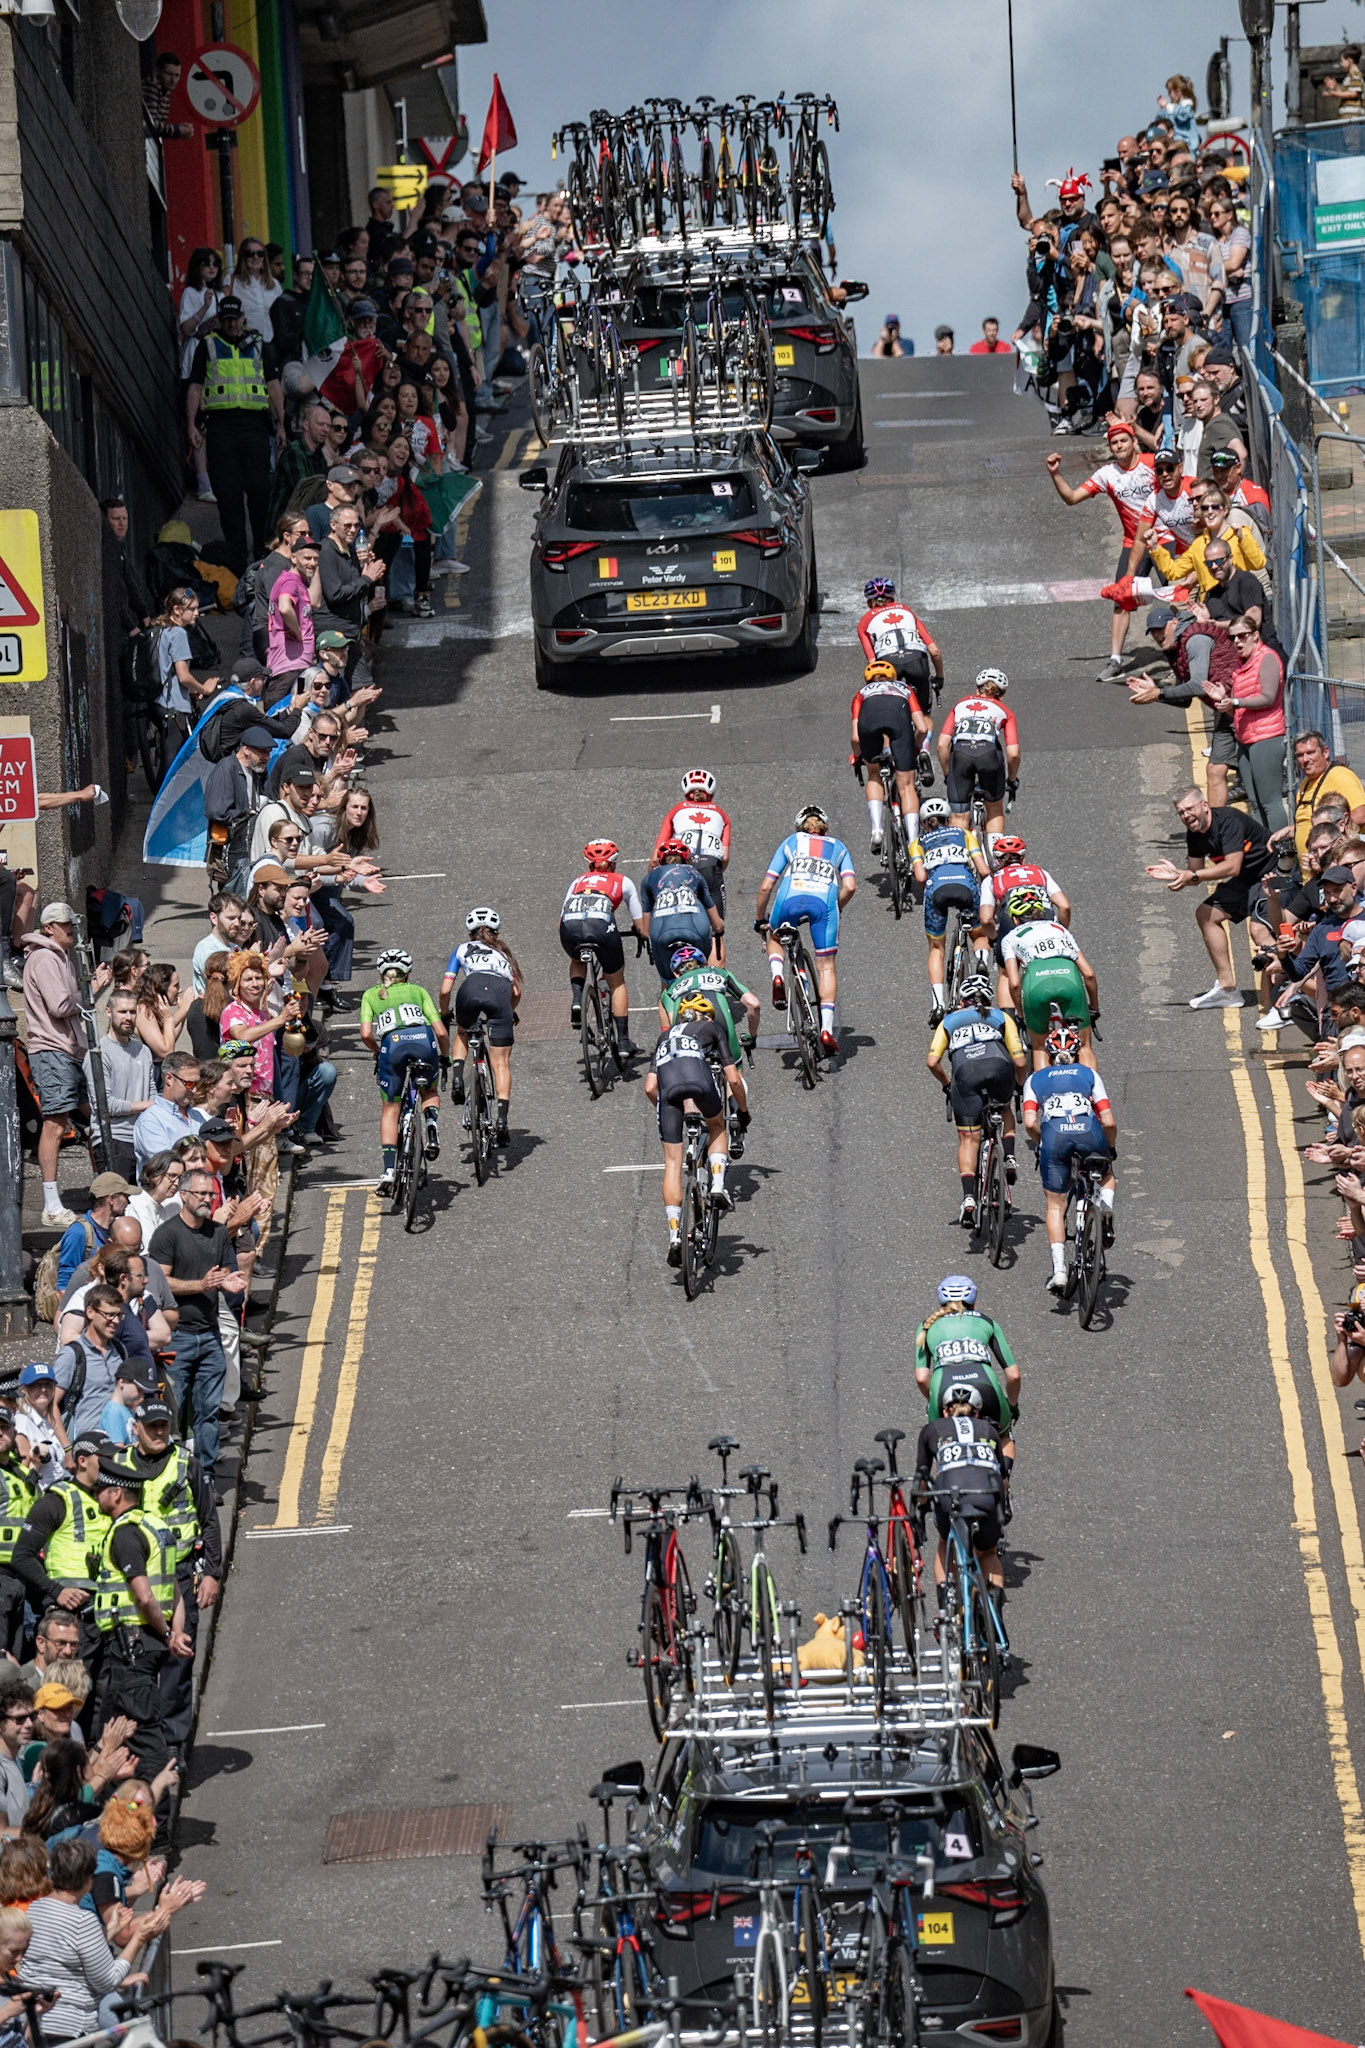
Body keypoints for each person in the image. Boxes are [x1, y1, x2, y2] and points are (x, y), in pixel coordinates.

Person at [20, 1834, 185, 2039]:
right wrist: (139, 1938)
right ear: (89, 1880)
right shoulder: (83, 1921)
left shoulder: (35, 1909)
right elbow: (108, 1980)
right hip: (68, 2028)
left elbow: (66, 1955)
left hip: (35, 2023)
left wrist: (109, 1932)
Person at [128, 1398, 221, 1751]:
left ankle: (174, 1746)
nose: (158, 1432)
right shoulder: (120, 1464)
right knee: (137, 1663)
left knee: (178, 1663)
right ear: (135, 1427)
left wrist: (211, 1573)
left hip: (179, 1574)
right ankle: (142, 1744)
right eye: (151, 1426)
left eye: (163, 1426)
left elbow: (210, 1519)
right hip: (135, 1577)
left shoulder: (186, 1464)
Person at [20, 906, 113, 1229]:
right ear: (49, 928)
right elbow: (61, 1005)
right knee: (56, 1123)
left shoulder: (59, 956)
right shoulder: (45, 958)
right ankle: (50, 1204)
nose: (72, 929)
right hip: (52, 1050)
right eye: (66, 925)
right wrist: (92, 989)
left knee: (96, 1116)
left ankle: (106, 1189)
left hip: (69, 1050)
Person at [1146, 786, 1276, 1009]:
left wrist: (1191, 875)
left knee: (1259, 931)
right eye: (1181, 813)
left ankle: (1283, 994)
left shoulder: (1229, 821)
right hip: (1244, 880)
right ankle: (1228, 989)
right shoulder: (1194, 833)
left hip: (1268, 874)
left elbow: (1231, 867)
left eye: (1189, 809)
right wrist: (1178, 875)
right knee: (1206, 914)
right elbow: (1194, 871)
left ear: (1205, 806)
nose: (1186, 816)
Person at [148, 1172, 243, 1476]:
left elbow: (225, 1272)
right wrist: (200, 1285)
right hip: (179, 1338)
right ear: (184, 1196)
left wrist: (227, 1282)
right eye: (200, 1193)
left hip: (210, 1334)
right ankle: (173, 1475)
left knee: (208, 1412)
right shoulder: (167, 1235)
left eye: (211, 1195)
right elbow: (160, 1282)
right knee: (174, 1411)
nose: (206, 1199)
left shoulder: (218, 1233)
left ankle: (206, 1475)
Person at [1045, 420, 1155, 677]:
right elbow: (1072, 498)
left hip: (1164, 538)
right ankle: (1115, 660)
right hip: (1133, 542)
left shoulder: (1152, 464)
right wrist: (1055, 474)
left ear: (1133, 442)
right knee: (1121, 600)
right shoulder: (1107, 474)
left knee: (1179, 595)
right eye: (1114, 443)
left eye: (1123, 441)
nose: (1119, 446)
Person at [185, 297, 285, 573]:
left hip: (255, 425)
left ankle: (263, 551)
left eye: (235, 318)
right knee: (228, 495)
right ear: (220, 320)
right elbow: (195, 387)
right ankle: (237, 556)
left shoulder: (259, 346)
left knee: (259, 492)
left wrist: (282, 425)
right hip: (221, 427)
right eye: (226, 319)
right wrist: (192, 426)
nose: (231, 323)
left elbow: (273, 385)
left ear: (243, 318)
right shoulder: (207, 347)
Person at [643, 995, 745, 1264]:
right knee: (716, 1126)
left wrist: (665, 1108)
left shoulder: (664, 1038)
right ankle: (718, 1186)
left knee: (672, 1163)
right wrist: (742, 1111)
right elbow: (733, 1079)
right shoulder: (712, 1028)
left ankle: (675, 1235)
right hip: (699, 1083)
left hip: (668, 1096)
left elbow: (650, 1087)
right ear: (707, 1017)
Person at [1022, 1018, 1118, 1295]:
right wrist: (1109, 1150)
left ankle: (1060, 1271)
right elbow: (1108, 1120)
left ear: (1049, 1056)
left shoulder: (1035, 1079)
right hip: (1088, 1131)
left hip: (1055, 1137)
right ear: (1077, 1052)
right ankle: (1105, 1207)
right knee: (1107, 1178)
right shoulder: (1089, 1074)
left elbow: (1029, 1122)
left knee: (1055, 1205)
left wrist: (1043, 1144)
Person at [756, 804, 857, 1057]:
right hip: (823, 903)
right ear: (825, 827)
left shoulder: (791, 841)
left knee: (776, 938)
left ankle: (777, 975)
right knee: (826, 967)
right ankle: (825, 1029)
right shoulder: (838, 847)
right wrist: (837, 905)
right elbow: (851, 886)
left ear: (800, 826)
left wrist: (760, 920)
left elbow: (767, 886)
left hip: (789, 897)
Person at [926, 973, 1027, 1226]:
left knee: (969, 1138)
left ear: (962, 1001)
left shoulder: (949, 1021)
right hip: (999, 1069)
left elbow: (932, 1061)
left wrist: (948, 1085)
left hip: (965, 1076)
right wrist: (1018, 1086)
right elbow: (1020, 1060)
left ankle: (969, 1197)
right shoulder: (1001, 1017)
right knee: (1004, 1107)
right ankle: (1010, 1156)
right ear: (989, 1001)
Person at [13, 1437, 115, 1667]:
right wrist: (56, 1590)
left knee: (102, 1697)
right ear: (82, 1461)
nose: (111, 1463)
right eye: (104, 1458)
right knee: (66, 1693)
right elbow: (21, 1555)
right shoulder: (57, 1499)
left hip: (107, 1613)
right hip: (69, 1616)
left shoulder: (112, 1499)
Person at [912, 1390, 1008, 1618]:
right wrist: (1004, 1510)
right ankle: (994, 1615)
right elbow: (1003, 1478)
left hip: (950, 1493)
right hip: (987, 1493)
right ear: (977, 1413)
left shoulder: (932, 1429)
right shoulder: (989, 1431)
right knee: (987, 1552)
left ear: (944, 1411)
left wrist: (921, 1510)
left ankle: (948, 1609)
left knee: (946, 1544)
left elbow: (922, 1480)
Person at [359, 949, 447, 1198]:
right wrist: (446, 1057)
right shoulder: (418, 991)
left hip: (392, 1046)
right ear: (408, 973)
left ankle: (388, 1170)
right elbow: (440, 1031)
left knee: (391, 1107)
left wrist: (378, 1052)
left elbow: (366, 1034)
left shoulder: (370, 995)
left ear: (380, 973)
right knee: (429, 1089)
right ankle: (430, 1123)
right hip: (423, 1040)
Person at [440, 911, 521, 1148]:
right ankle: (502, 1121)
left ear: (470, 934)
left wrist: (444, 1014)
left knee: (463, 1032)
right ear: (496, 933)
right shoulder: (504, 952)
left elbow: (446, 990)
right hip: (499, 994)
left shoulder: (461, 949)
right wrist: (509, 1010)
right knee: (501, 1064)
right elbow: (516, 992)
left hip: (470, 990)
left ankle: (457, 1078)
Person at [558, 841, 644, 1056]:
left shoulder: (577, 881)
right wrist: (639, 933)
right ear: (614, 864)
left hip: (570, 927)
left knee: (577, 959)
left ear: (589, 865)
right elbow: (641, 924)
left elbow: (561, 919)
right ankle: (623, 1041)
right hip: (601, 926)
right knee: (616, 980)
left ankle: (577, 1000)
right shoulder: (623, 881)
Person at [913, 1276, 1020, 1448]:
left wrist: (931, 1400)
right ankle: (1003, 1475)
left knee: (943, 1448)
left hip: (943, 1388)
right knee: (1003, 1438)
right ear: (973, 1301)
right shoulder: (986, 1321)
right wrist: (1013, 1406)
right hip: (985, 1385)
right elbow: (1013, 1376)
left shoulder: (927, 1325)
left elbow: (921, 1377)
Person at [909, 797, 990, 1022]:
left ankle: (938, 1004)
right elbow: (983, 870)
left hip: (937, 890)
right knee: (979, 934)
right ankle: (981, 958)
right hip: (966, 886)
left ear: (924, 824)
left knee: (936, 947)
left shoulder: (918, 842)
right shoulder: (964, 834)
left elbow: (920, 876)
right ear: (948, 819)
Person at [1000, 889, 1102, 1066]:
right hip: (1068, 979)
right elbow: (1089, 974)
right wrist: (1093, 1008)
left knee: (1039, 1047)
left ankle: (1043, 1090)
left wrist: (1021, 1015)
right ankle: (1094, 1091)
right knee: (1084, 1047)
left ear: (1015, 919)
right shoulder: (1059, 929)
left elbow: (1014, 984)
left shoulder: (1010, 938)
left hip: (1036, 985)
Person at [1206, 614, 1287, 836]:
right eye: (1233, 638)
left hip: (1266, 737)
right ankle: (1265, 848)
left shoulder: (1267, 658)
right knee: (1254, 801)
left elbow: (1268, 697)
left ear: (1255, 635)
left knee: (1270, 801)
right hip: (1245, 738)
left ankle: (1283, 852)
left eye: (1242, 636)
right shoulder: (1242, 666)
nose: (1237, 642)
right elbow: (1240, 710)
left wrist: (1235, 701)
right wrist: (1225, 703)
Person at [856, 577, 942, 770]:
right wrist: (939, 677)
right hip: (917, 661)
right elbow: (935, 651)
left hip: (888, 663)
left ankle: (887, 753)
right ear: (892, 597)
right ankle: (925, 749)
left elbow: (872, 662)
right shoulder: (906, 610)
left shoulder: (865, 621)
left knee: (887, 708)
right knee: (924, 712)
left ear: (869, 602)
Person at [659, 945, 761, 1098]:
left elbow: (673, 1024)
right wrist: (752, 1037)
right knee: (734, 1075)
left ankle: (694, 1115)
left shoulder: (668, 992)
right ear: (705, 964)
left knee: (688, 1078)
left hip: (686, 1026)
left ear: (675, 973)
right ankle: (736, 1114)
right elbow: (753, 1004)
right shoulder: (719, 973)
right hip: (718, 1020)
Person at [937, 668, 1020, 839]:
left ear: (977, 689)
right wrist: (1011, 780)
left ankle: (962, 859)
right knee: (995, 808)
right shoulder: (1005, 710)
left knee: (959, 815)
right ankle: (995, 856)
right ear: (1001, 695)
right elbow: (1013, 754)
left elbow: (942, 745)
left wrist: (948, 774)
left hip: (960, 755)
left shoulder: (960, 705)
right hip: (988, 755)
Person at [852, 663, 925, 855]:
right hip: (899, 725)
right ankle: (914, 842)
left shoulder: (861, 693)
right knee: (907, 785)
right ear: (893, 677)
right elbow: (922, 728)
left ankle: (876, 830)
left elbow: (855, 737)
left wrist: (858, 756)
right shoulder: (904, 689)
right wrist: (915, 747)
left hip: (869, 726)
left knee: (874, 775)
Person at [83, 999, 155, 1187]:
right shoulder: (99, 1053)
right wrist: (147, 1105)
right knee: (117, 1205)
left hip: (143, 1138)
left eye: (132, 1012)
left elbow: (152, 1091)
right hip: (114, 1139)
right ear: (108, 1012)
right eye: (122, 1012)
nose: (128, 1017)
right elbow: (104, 1106)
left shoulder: (143, 1051)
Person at [653, 771, 733, 929]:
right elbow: (724, 857)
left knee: (672, 922)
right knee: (717, 931)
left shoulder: (676, 810)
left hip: (681, 869)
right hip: (710, 868)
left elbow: (656, 857)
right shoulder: (721, 814)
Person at [1281, 730, 1365, 876]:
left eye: (1310, 752)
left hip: (1333, 875)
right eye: (1300, 755)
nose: (1305, 759)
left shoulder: (1339, 776)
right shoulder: (1305, 784)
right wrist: (1292, 830)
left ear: (1325, 752)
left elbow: (1360, 816)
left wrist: (1326, 846)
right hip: (1309, 875)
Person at [639, 840, 723, 981]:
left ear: (660, 860)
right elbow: (717, 924)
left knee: (668, 987)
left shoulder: (648, 879)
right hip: (696, 932)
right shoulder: (694, 873)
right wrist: (719, 930)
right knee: (702, 978)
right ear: (686, 859)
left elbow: (645, 932)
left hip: (662, 935)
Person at [131, 1054, 204, 1174]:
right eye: (189, 1084)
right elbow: (166, 1166)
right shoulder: (151, 1121)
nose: (195, 1090)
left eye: (197, 1084)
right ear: (169, 1078)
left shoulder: (199, 1117)